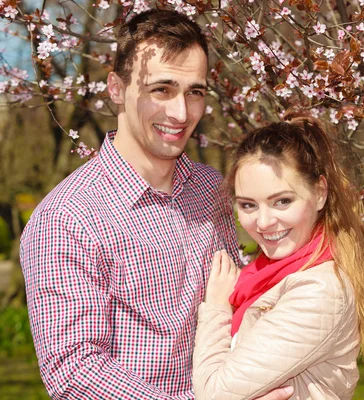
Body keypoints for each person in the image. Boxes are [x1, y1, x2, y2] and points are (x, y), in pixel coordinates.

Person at [20, 9, 291, 400]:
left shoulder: (210, 188)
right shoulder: (66, 219)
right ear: (116, 88)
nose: (181, 114)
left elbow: (239, 302)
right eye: (161, 89)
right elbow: (74, 371)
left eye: (194, 92)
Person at [192, 115, 364, 399]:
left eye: (282, 201)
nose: (263, 222)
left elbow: (213, 393)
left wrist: (216, 307)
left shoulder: (318, 291)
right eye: (248, 205)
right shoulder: (267, 274)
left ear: (320, 193)